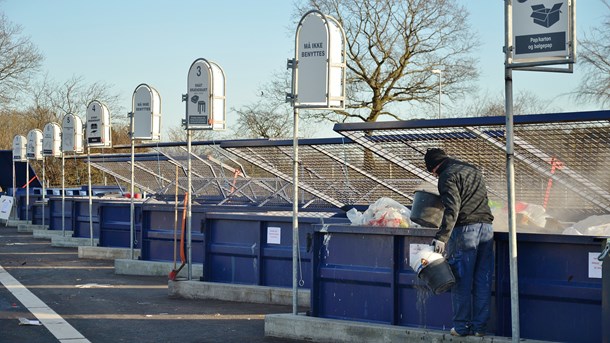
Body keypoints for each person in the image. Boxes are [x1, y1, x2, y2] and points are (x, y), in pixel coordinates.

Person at [424, 148, 494, 337]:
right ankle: (480, 328)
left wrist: (442, 237)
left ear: (433, 168)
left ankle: (461, 327)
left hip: (466, 230)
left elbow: (452, 209)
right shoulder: (471, 168)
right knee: (482, 280)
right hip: (487, 228)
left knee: (462, 280)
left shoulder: (446, 176)